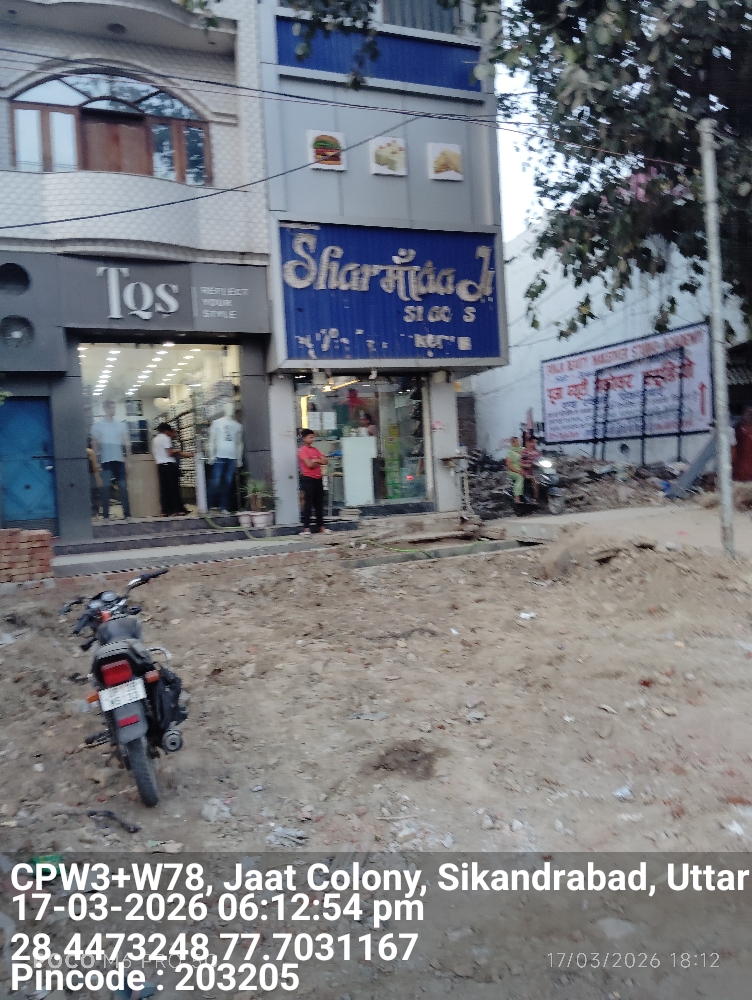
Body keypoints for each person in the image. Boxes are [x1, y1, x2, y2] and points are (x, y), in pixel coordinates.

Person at [91, 399, 131, 519]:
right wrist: (96, 461)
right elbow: (95, 444)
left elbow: (126, 441)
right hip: (106, 460)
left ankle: (127, 514)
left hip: (119, 460)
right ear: (106, 408)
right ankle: (105, 515)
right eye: (112, 407)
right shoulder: (98, 426)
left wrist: (128, 458)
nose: (114, 410)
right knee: (106, 488)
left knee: (123, 487)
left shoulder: (120, 425)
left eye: (114, 407)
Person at [152, 423, 192, 516]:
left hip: (160, 465)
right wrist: (177, 450)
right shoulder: (165, 438)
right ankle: (176, 510)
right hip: (169, 465)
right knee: (173, 489)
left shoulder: (155, 439)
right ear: (167, 430)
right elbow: (169, 453)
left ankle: (165, 510)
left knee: (164, 489)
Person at [298, 428, 330, 535]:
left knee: (319, 503)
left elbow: (325, 461)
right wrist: (318, 461)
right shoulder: (302, 451)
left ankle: (321, 526)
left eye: (313, 437)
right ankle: (306, 528)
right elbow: (309, 465)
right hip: (308, 478)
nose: (312, 439)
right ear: (304, 438)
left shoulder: (315, 449)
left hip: (318, 478)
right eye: (310, 437)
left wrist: (315, 460)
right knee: (308, 503)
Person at [521, 433, 542, 501]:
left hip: (538, 472)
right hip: (527, 473)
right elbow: (521, 464)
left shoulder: (538, 453)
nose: (534, 444)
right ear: (529, 443)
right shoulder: (524, 453)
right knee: (535, 480)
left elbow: (542, 461)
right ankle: (535, 498)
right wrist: (529, 466)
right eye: (533, 442)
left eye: (536, 442)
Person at [506, 436, 524, 504]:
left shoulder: (523, 449)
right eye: (514, 442)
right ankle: (517, 498)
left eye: (517, 441)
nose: (517, 443)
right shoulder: (510, 452)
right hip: (513, 471)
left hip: (524, 470)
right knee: (520, 478)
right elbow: (509, 465)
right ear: (512, 443)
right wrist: (518, 471)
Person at [87, 437, 102, 517]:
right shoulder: (90, 452)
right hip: (91, 477)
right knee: (95, 494)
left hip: (85, 477)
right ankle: (96, 511)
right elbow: (95, 468)